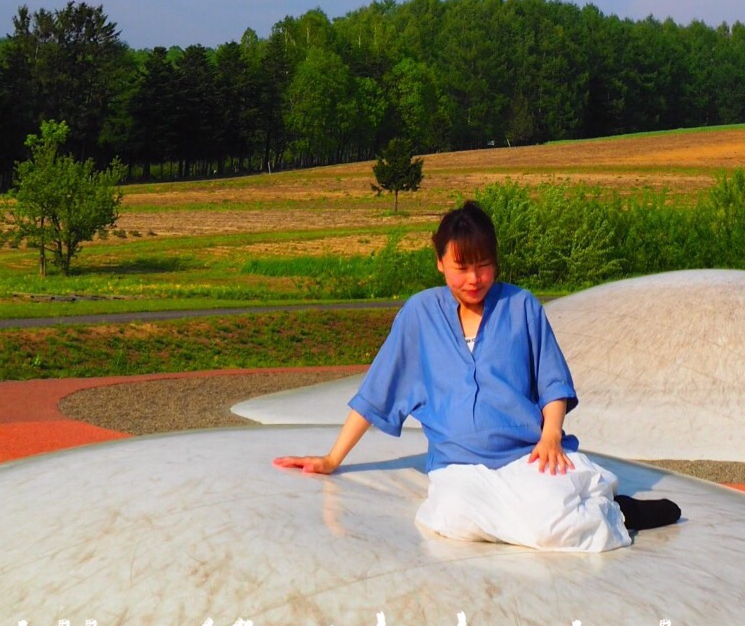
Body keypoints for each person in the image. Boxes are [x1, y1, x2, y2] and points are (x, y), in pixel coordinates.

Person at [273, 199, 677, 549]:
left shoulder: (521, 306)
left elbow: (552, 381)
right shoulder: (420, 315)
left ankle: (618, 512)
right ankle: (567, 511)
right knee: (452, 520)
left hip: (526, 452)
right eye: (462, 267)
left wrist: (551, 434)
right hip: (458, 465)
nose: (474, 279)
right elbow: (377, 391)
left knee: (555, 526)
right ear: (440, 262)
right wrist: (332, 458)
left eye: (483, 266)